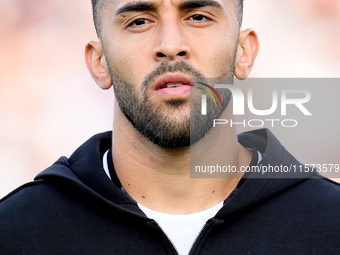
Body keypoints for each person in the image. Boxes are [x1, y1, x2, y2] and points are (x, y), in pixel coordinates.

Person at [1, 0, 339, 254]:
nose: (170, 44)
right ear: (99, 62)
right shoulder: (16, 232)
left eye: (198, 16)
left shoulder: (330, 225)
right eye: (139, 21)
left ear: (244, 51)